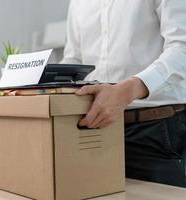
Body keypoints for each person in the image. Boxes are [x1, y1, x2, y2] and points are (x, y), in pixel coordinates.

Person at [61, 0, 186, 187]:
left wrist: (128, 90)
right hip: (94, 131)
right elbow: (74, 59)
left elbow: (181, 48)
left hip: (157, 131)